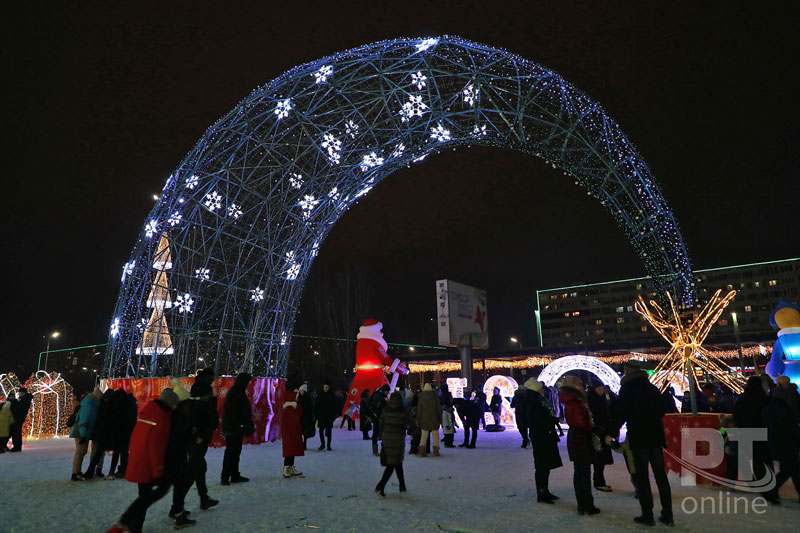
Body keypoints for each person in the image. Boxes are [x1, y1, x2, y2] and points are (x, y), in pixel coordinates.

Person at [107, 388, 195, 532]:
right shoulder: (162, 418)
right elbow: (156, 445)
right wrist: (158, 470)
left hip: (139, 459)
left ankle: (131, 526)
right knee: (149, 496)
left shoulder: (148, 411)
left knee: (145, 497)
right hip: (148, 464)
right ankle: (123, 524)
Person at [612, 360, 673, 526]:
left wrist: (611, 432)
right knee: (661, 476)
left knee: (642, 477)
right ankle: (668, 515)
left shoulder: (627, 389)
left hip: (639, 438)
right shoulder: (652, 388)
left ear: (628, 371)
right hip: (655, 437)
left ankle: (648, 515)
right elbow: (662, 410)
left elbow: (621, 412)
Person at [559, 375, 600, 516]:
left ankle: (582, 504)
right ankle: (588, 504)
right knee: (584, 472)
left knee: (579, 472)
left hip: (576, 438)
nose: (582, 387)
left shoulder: (571, 401)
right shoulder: (576, 403)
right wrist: (594, 428)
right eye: (580, 385)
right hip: (581, 438)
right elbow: (581, 423)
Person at [734, 375, 777, 503]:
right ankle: (772, 488)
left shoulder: (742, 398)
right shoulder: (764, 398)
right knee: (767, 461)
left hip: (749, 432)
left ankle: (764, 488)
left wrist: (742, 426)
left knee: (757, 462)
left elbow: (737, 415)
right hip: (764, 432)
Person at [186, 368, 220, 509]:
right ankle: (176, 507)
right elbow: (204, 415)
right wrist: (200, 433)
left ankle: (203, 498)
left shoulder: (197, 390)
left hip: (197, 435)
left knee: (199, 467)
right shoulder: (205, 393)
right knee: (194, 470)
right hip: (200, 436)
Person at [525, 379, 562, 503]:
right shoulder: (534, 402)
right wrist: (551, 421)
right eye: (541, 388)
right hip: (541, 437)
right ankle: (542, 492)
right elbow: (537, 421)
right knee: (542, 465)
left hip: (544, 436)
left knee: (545, 465)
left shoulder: (538, 400)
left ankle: (545, 490)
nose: (543, 390)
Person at [761, 385, 800, 501]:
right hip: (786, 443)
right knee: (791, 468)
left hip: (772, 441)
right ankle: (770, 490)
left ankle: (771, 490)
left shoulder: (767, 408)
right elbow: (792, 428)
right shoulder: (785, 410)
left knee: (791, 469)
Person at [375, 392, 413, 496]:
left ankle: (402, 486)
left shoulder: (386, 410)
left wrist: (383, 434)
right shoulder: (403, 411)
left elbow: (381, 423)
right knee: (393, 464)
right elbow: (411, 423)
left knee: (397, 462)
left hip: (387, 440)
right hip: (398, 440)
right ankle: (381, 485)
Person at [221, 372, 254, 485]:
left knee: (234, 453)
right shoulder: (236, 392)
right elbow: (236, 411)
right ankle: (226, 476)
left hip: (234, 427)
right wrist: (242, 424)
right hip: (233, 427)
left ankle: (233, 475)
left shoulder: (237, 391)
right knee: (231, 453)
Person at [587, 381, 613, 492]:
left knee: (601, 459)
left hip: (602, 432)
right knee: (599, 458)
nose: (602, 391)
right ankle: (599, 482)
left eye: (603, 389)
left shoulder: (601, 400)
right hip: (597, 434)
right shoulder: (592, 401)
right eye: (600, 389)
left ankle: (600, 481)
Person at [70, 388, 102, 481]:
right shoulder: (88, 404)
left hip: (82, 431)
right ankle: (75, 473)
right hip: (81, 432)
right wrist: (83, 435)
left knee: (81, 452)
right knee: (80, 452)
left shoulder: (88, 402)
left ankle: (77, 472)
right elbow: (83, 420)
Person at [86, 388, 115, 479]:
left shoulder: (98, 405)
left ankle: (92, 470)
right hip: (103, 432)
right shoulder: (109, 406)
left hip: (96, 431)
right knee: (100, 452)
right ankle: (98, 470)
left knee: (95, 451)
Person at [282, 387, 304, 478]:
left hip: (294, 432)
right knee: (289, 449)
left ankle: (291, 467)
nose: (297, 398)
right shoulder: (289, 409)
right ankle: (286, 467)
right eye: (296, 396)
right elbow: (296, 417)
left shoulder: (294, 407)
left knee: (293, 449)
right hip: (289, 432)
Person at [415, 383, 442, 457]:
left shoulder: (421, 398)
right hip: (434, 419)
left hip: (424, 419)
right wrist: (440, 419)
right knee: (435, 436)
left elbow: (419, 410)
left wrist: (418, 419)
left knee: (424, 436)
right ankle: (436, 451)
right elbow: (439, 409)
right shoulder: (435, 397)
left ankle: (422, 451)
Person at [9, 386, 33, 452]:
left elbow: (19, 408)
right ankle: (16, 446)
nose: (19, 394)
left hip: (18, 418)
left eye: (20, 392)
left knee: (16, 432)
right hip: (19, 418)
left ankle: (16, 447)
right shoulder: (25, 399)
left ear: (22, 393)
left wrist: (14, 402)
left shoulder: (24, 399)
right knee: (16, 432)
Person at [315, 381, 336, 451]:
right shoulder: (320, 395)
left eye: (326, 387)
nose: (325, 388)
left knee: (329, 431)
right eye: (324, 387)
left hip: (329, 417)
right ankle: (322, 444)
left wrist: (333, 416)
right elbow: (317, 406)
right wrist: (317, 415)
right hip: (321, 416)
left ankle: (328, 445)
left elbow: (334, 406)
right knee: (321, 431)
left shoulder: (332, 395)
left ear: (329, 388)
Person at [369, 385, 389, 456]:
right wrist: (377, 415)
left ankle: (382, 450)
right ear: (384, 391)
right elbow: (375, 407)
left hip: (381, 417)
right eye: (387, 391)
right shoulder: (378, 396)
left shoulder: (381, 395)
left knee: (380, 433)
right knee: (376, 433)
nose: (388, 393)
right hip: (377, 417)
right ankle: (375, 450)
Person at [298, 384, 315, 449]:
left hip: (306, 418)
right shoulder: (299, 398)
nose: (301, 392)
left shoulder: (308, 399)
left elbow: (310, 409)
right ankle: (301, 444)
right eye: (300, 391)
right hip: (300, 417)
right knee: (300, 432)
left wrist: (310, 418)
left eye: (302, 391)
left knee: (305, 432)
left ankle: (304, 445)